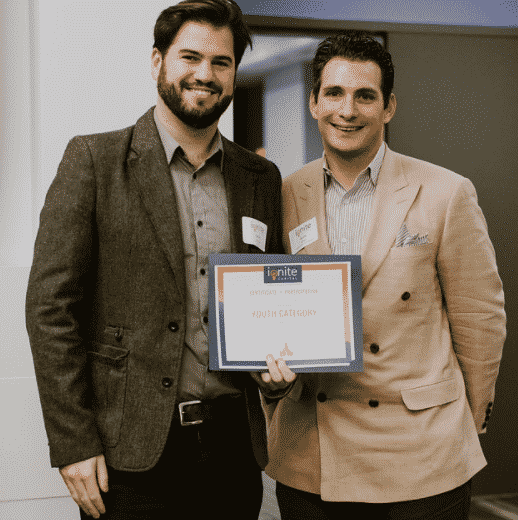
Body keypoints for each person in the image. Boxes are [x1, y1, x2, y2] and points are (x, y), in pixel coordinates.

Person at [25, 1, 291, 518]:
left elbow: (270, 296)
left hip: (234, 449)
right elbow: (50, 312)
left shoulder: (260, 177)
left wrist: (277, 372)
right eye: (189, 57)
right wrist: (74, 443)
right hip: (130, 451)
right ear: (157, 62)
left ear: (235, 73)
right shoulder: (94, 162)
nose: (205, 75)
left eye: (221, 62)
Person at [261, 31, 506, 520]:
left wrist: (467, 418)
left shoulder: (445, 192)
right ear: (313, 103)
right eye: (333, 93)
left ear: (388, 107)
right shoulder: (282, 192)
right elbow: (268, 308)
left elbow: (480, 317)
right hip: (315, 449)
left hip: (420, 451)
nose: (346, 110)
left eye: (364, 95)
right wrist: (270, 387)